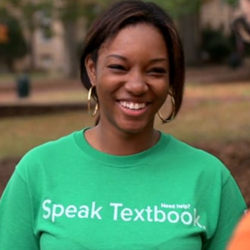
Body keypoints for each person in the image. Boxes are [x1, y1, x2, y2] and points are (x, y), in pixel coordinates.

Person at [0, 1, 247, 249]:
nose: (137, 85)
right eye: (119, 67)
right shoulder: (38, 171)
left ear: (171, 78)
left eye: (156, 71)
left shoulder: (209, 178)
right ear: (92, 69)